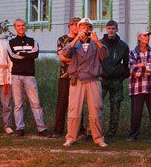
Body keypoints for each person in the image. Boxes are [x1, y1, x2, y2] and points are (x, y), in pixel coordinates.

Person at [61, 18, 108, 148]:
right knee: (74, 110)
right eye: (82, 27)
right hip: (77, 79)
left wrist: (97, 41)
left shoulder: (96, 43)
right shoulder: (74, 43)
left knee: (96, 110)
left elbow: (105, 55)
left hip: (93, 79)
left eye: (88, 27)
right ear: (78, 28)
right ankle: (71, 137)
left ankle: (98, 138)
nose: (85, 29)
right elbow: (65, 53)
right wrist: (76, 39)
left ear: (91, 29)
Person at [8, 19, 50, 137]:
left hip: (29, 76)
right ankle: (20, 128)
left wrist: (22, 54)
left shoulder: (33, 41)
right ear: (15, 27)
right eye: (18, 26)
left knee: (35, 103)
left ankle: (42, 129)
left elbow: (35, 54)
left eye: (22, 25)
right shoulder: (11, 42)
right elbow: (13, 57)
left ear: (25, 26)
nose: (21, 27)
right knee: (18, 104)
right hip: (16, 76)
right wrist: (28, 54)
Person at [127, 31, 151, 141]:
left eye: (148, 35)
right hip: (137, 88)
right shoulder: (133, 53)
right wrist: (148, 69)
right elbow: (132, 70)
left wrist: (142, 65)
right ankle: (133, 135)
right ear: (139, 37)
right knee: (136, 113)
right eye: (145, 35)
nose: (147, 37)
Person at [99, 20, 130, 140]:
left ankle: (112, 133)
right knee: (96, 106)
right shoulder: (100, 43)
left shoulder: (123, 46)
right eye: (109, 28)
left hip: (116, 81)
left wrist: (121, 75)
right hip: (102, 79)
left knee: (115, 107)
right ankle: (93, 132)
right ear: (106, 29)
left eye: (113, 28)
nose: (111, 31)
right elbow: (95, 61)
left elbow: (126, 64)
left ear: (117, 29)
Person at [54, 18, 83, 137]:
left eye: (79, 25)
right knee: (62, 102)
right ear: (70, 26)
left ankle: (79, 130)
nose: (77, 27)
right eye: (75, 25)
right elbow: (62, 57)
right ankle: (58, 130)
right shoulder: (62, 39)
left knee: (78, 104)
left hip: (79, 76)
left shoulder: (84, 40)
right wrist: (77, 61)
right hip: (65, 75)